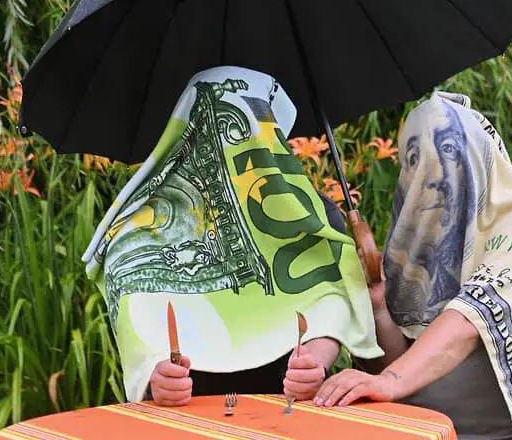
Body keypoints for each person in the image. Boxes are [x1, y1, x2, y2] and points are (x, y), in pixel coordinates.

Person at [81, 66, 383, 405]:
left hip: (284, 403)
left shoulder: (312, 215)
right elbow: (136, 311)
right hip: (188, 406)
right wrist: (157, 374)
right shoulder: (141, 227)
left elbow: (331, 299)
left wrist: (314, 363)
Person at [313, 92, 512, 440]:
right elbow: (394, 367)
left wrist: (388, 382)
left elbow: (466, 323)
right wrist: (378, 307)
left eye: (447, 153)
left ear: (475, 157)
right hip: (439, 431)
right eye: (416, 161)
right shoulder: (415, 236)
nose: (431, 180)